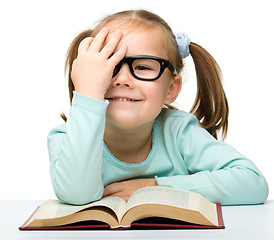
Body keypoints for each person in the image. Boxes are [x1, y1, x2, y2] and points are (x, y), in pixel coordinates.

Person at [47, 9, 268, 206]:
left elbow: (252, 182)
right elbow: (76, 195)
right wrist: (87, 95)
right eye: (109, 65)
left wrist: (155, 188)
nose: (122, 79)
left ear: (171, 88)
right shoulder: (65, 137)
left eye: (143, 67)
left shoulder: (179, 132)